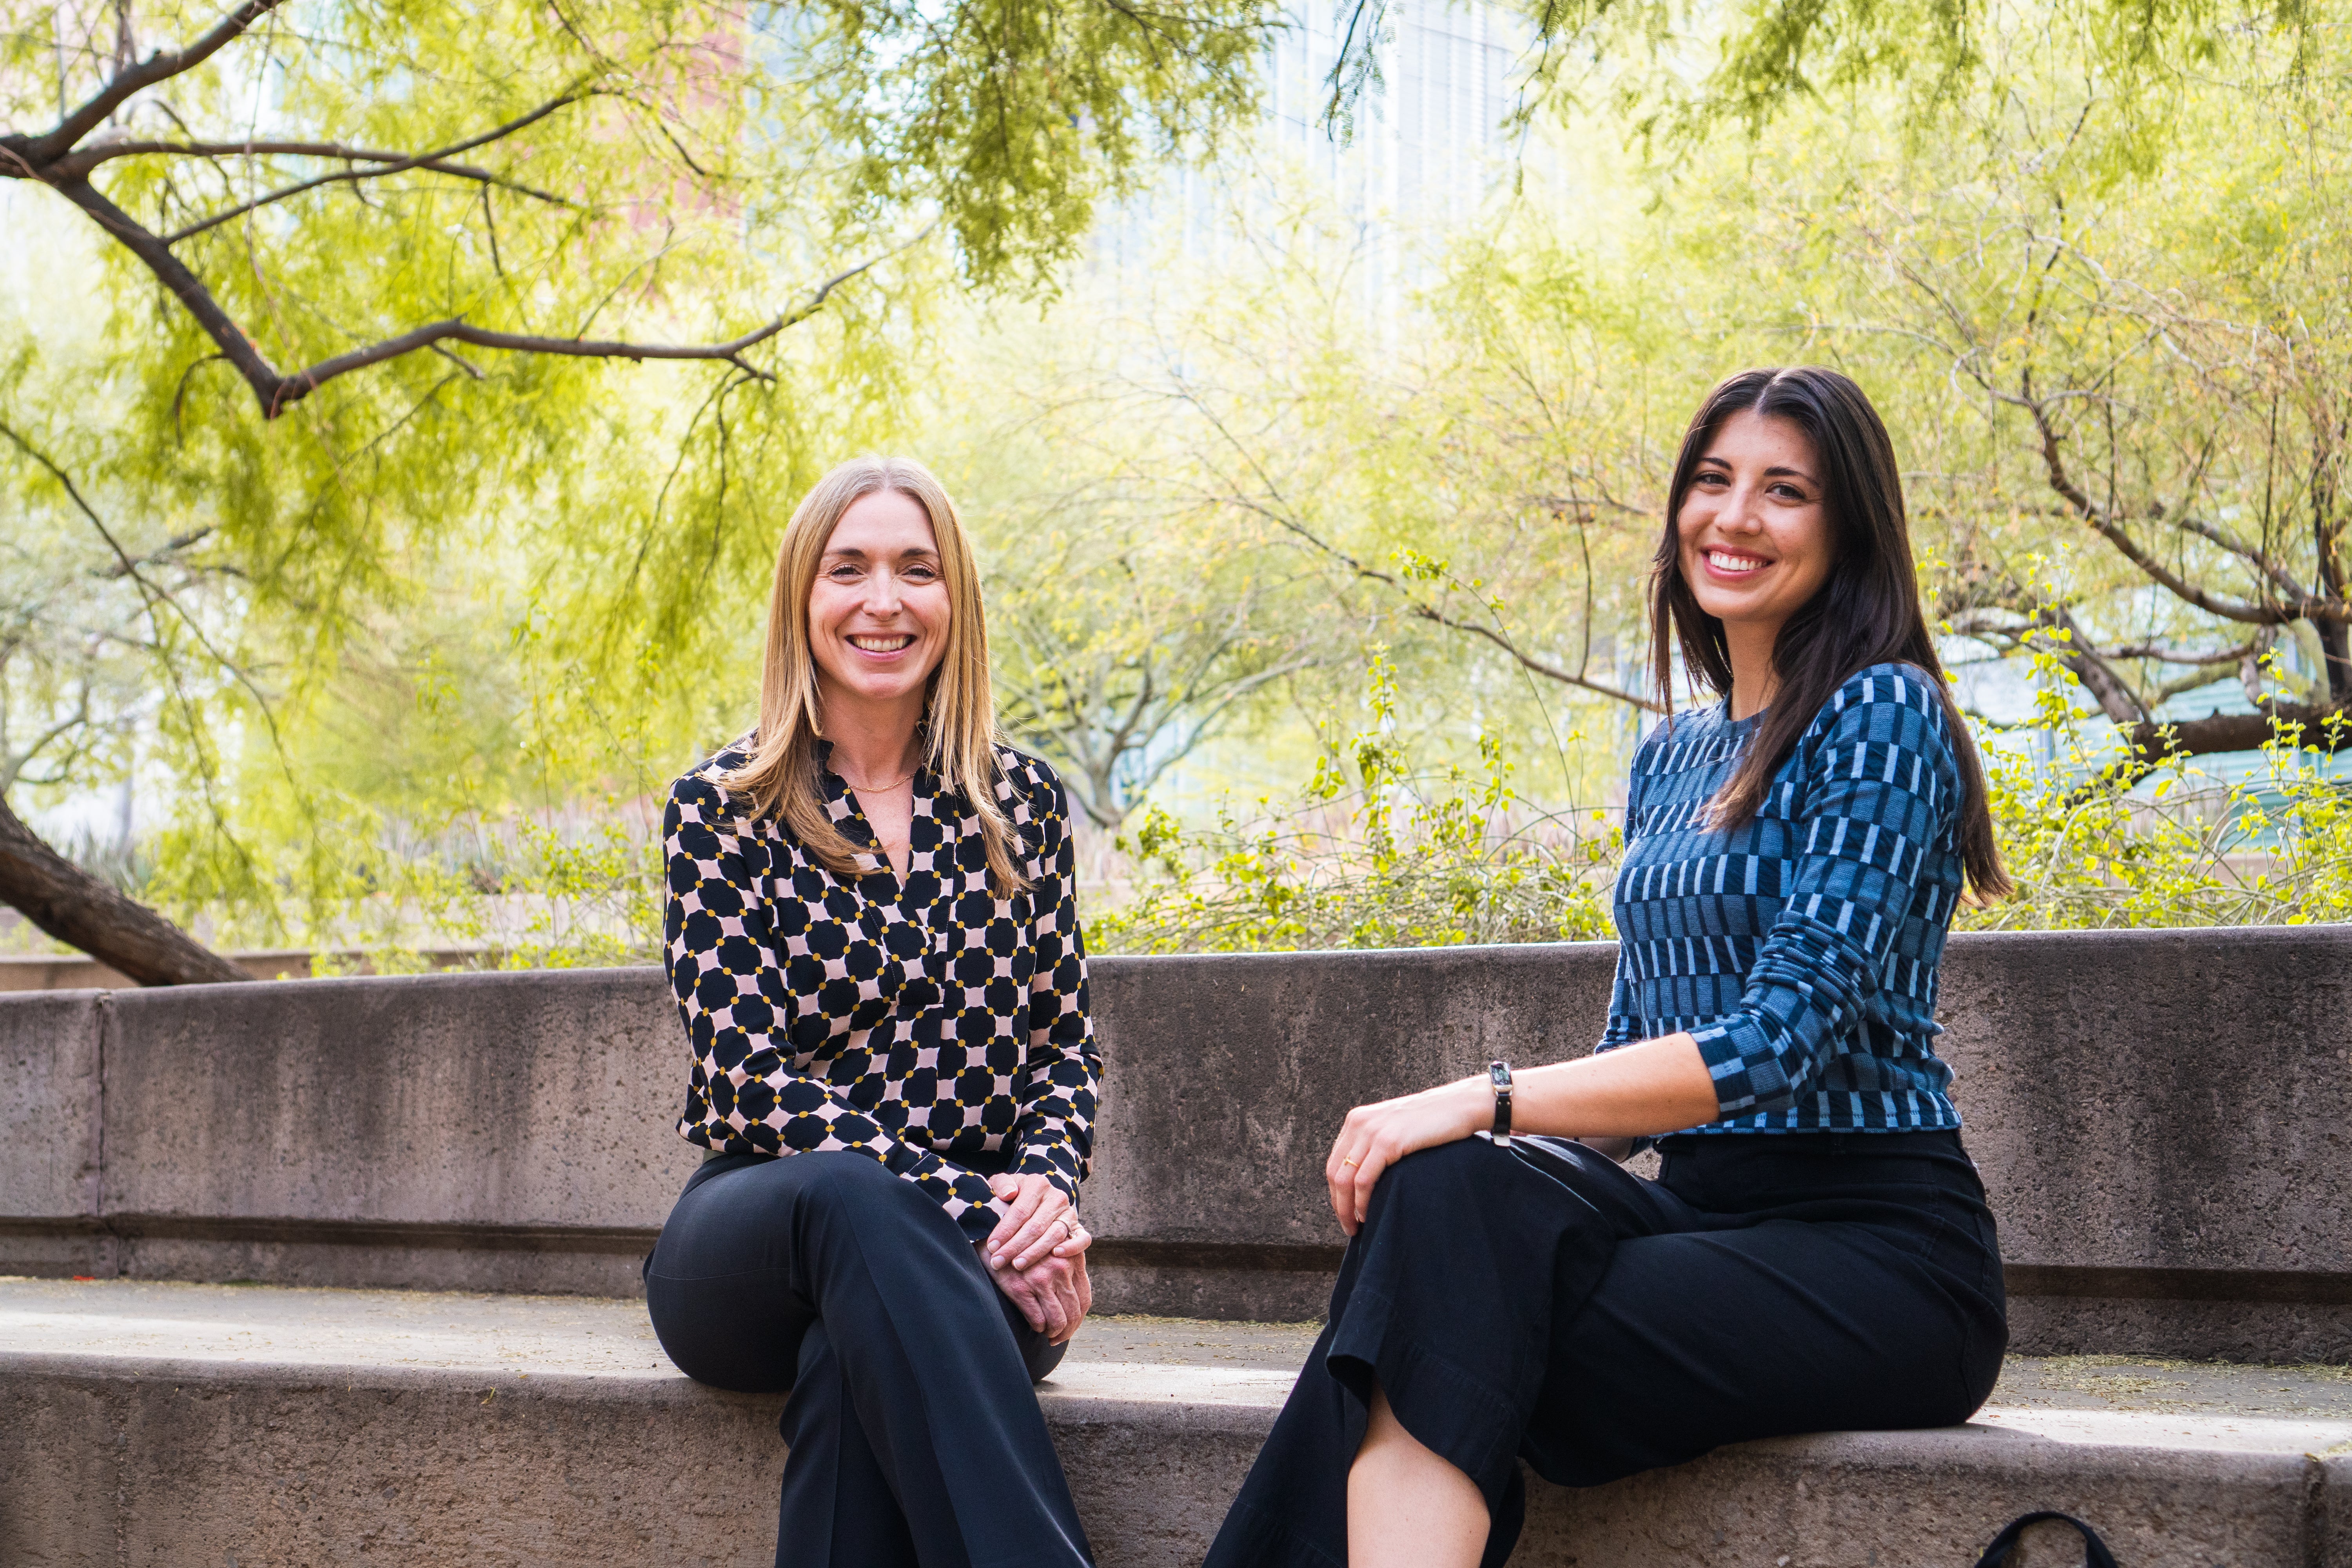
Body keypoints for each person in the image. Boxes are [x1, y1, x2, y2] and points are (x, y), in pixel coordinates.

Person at [1201, 367, 2014, 1568]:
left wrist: (1479, 1096)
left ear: (1848, 530)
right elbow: (1638, 1052)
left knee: (1430, 1322)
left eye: (1784, 491)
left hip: (1879, 1250)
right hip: (1693, 1216)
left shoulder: (1882, 713)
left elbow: (1777, 1044)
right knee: (1436, 1211)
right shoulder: (1672, 755)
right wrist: (1470, 1152)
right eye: (1712, 480)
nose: (1733, 518)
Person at [643, 454, 1101, 1568]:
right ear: (805, 597)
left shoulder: (1021, 803)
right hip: (762, 1233)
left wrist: (1041, 1192)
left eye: (917, 570)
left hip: (968, 1268)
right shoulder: (725, 809)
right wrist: (975, 1210)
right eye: (849, 569)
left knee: (857, 1367)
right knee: (854, 1197)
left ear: (957, 604)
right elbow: (750, 1080)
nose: (884, 601)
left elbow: (1063, 1049)